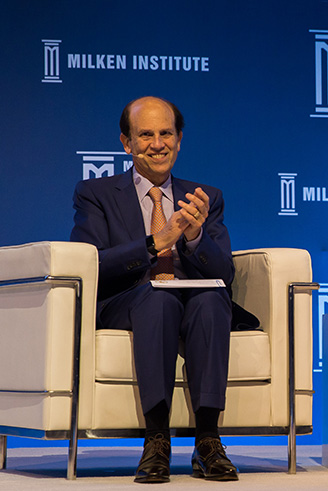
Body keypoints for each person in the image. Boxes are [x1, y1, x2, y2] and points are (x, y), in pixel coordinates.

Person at [71, 96, 238, 483]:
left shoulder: (205, 197)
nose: (157, 143)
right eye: (145, 135)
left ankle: (208, 440)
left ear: (179, 140)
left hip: (192, 299)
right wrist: (153, 243)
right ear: (126, 143)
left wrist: (195, 237)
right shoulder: (95, 194)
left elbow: (225, 272)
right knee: (159, 298)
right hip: (127, 300)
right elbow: (92, 261)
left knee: (214, 298)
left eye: (166, 134)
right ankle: (156, 439)